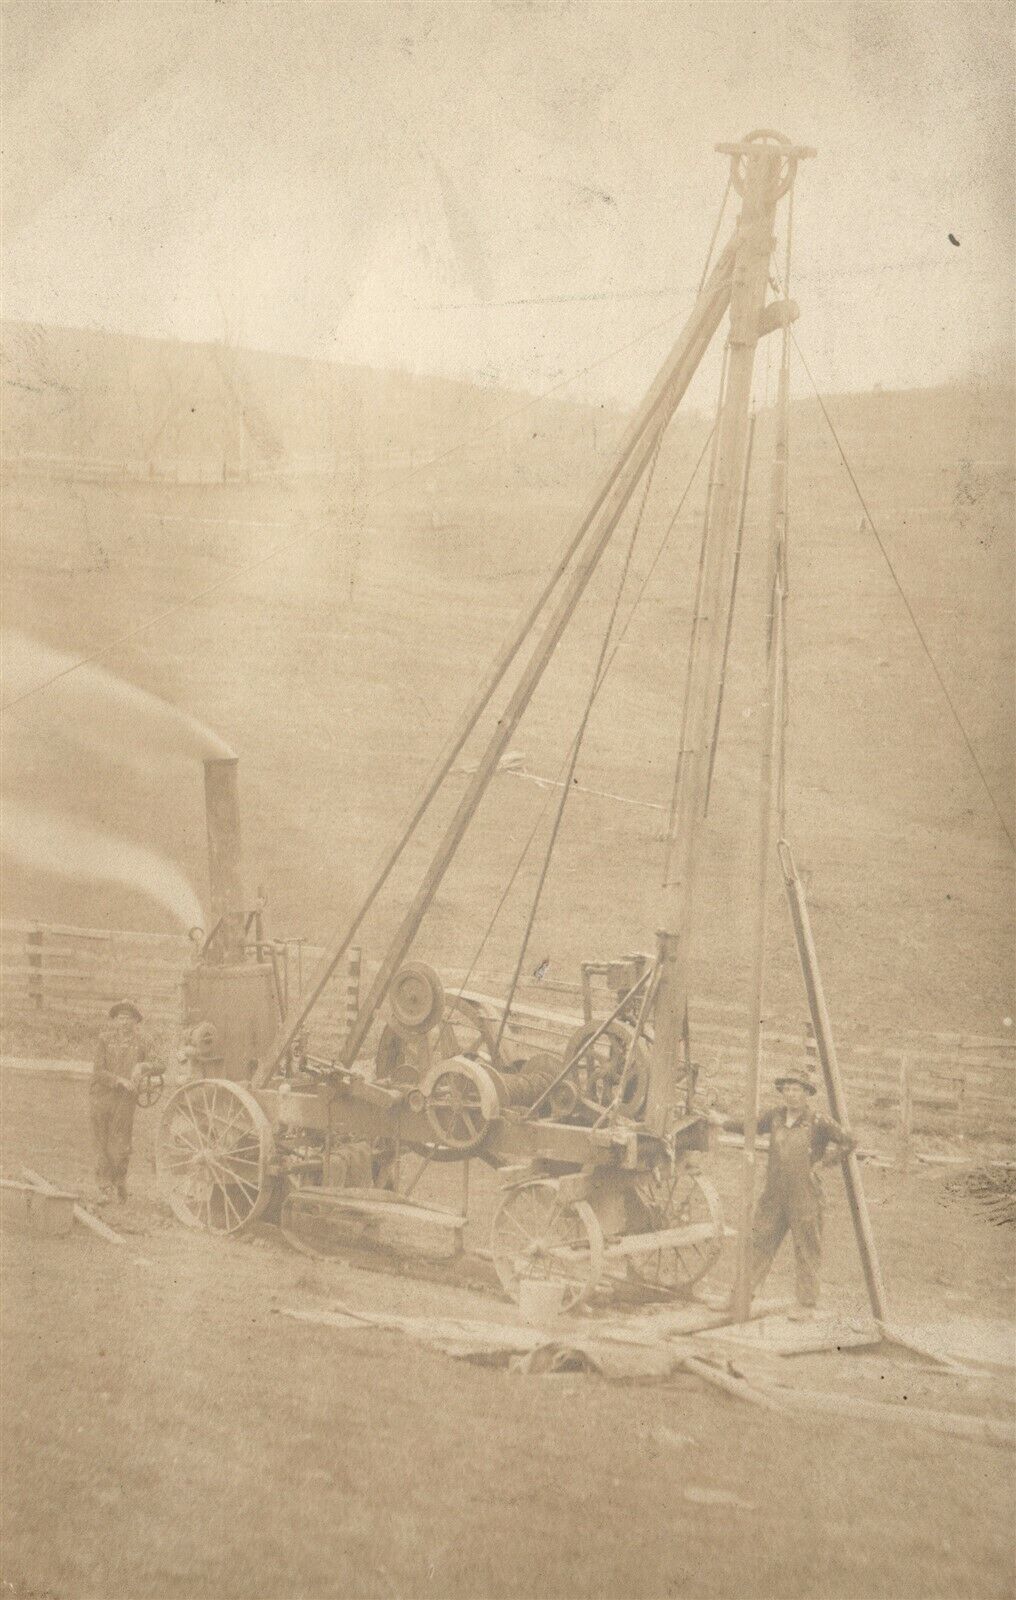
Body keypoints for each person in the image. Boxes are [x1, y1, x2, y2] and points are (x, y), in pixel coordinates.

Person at [708, 1069, 855, 1318]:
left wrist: (824, 1163)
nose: (791, 1095)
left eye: (797, 1090)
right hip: (774, 1194)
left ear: (807, 1093)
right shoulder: (775, 1116)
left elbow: (848, 1140)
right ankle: (738, 1297)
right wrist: (721, 1121)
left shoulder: (818, 1120)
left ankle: (805, 1305)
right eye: (787, 1089)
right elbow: (749, 1126)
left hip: (805, 1196)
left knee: (807, 1247)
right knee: (758, 1243)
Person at [90, 1000, 158, 1204]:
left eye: (128, 1018)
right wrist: (119, 1080)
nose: (124, 1022)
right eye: (120, 1018)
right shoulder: (104, 1040)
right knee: (101, 1142)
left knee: (121, 1143)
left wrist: (144, 1066)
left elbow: (160, 1064)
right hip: (101, 1097)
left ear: (136, 1021)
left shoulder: (142, 1042)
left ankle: (120, 1182)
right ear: (115, 1020)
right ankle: (104, 1188)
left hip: (125, 1101)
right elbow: (98, 1071)